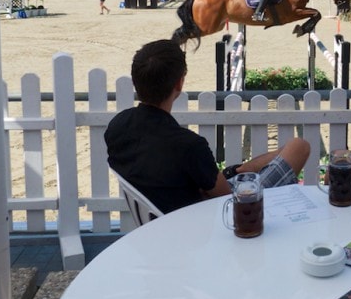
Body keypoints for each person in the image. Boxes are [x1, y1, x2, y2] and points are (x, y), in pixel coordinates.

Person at [105, 39, 311, 214]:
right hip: (216, 217)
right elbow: (227, 199)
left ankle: (237, 170)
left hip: (166, 216)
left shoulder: (118, 126)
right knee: (298, 146)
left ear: (135, 82)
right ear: (179, 84)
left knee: (265, 160)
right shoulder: (188, 145)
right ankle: (237, 171)